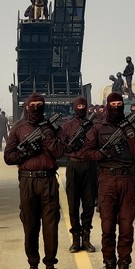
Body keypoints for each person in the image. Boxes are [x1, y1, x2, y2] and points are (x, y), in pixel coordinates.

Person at [4, 93, 66, 269]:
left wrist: (48, 137)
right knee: (30, 227)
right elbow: (8, 157)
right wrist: (26, 152)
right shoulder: (18, 128)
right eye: (33, 105)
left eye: (40, 105)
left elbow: (59, 153)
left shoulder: (51, 128)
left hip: (48, 180)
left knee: (51, 227)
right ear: (26, 107)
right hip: (28, 182)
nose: (37, 108)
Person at [83, 92, 135, 269]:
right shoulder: (98, 128)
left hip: (126, 179)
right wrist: (101, 154)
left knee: (127, 227)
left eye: (120, 103)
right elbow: (86, 151)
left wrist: (129, 133)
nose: (117, 107)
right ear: (107, 106)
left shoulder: (130, 126)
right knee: (107, 228)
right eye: (113, 104)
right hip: (107, 179)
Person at [61, 96, 97, 254]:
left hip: (89, 165)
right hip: (74, 165)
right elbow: (62, 147)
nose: (81, 108)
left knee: (89, 204)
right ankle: (76, 239)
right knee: (73, 203)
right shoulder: (67, 126)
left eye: (83, 105)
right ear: (74, 107)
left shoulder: (94, 126)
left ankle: (86, 238)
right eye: (78, 105)